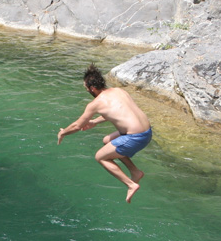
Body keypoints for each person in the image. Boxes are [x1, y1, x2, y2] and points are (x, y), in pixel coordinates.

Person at [57, 64, 153, 203]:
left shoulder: (95, 103)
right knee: (107, 140)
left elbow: (78, 125)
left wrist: (63, 133)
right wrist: (95, 122)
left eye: (86, 88)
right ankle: (135, 172)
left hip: (135, 137)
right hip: (147, 132)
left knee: (100, 157)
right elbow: (117, 111)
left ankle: (131, 184)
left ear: (92, 88)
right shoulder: (118, 91)